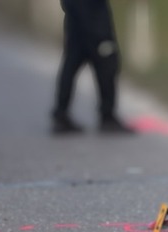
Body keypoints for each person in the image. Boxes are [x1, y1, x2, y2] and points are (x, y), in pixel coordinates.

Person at [51, 0, 133, 134]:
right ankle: (107, 116)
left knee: (71, 64)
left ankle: (61, 114)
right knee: (107, 62)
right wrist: (101, 34)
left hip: (76, 17)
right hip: (93, 17)